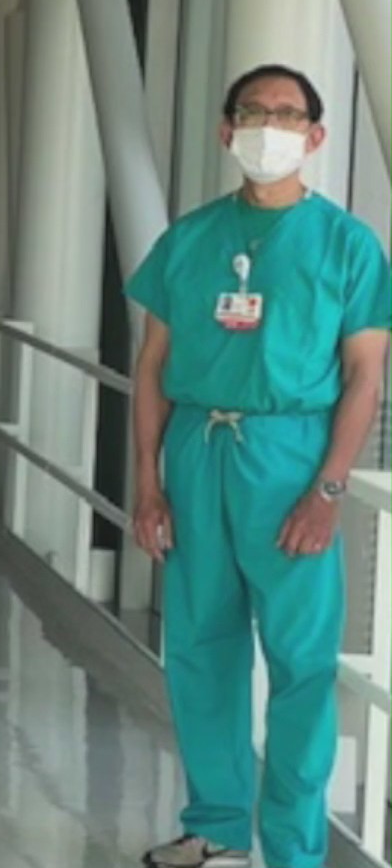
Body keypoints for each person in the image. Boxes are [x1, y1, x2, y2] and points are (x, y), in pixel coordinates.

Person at [129, 65, 390, 868]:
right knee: (202, 648)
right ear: (225, 130)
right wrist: (147, 483)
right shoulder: (189, 239)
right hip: (198, 451)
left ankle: (292, 850)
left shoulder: (349, 245)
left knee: (300, 663)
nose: (267, 127)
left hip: (290, 460)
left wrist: (328, 490)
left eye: (285, 115)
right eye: (251, 111)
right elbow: (152, 367)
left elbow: (365, 378)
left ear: (315, 136)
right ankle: (214, 830)